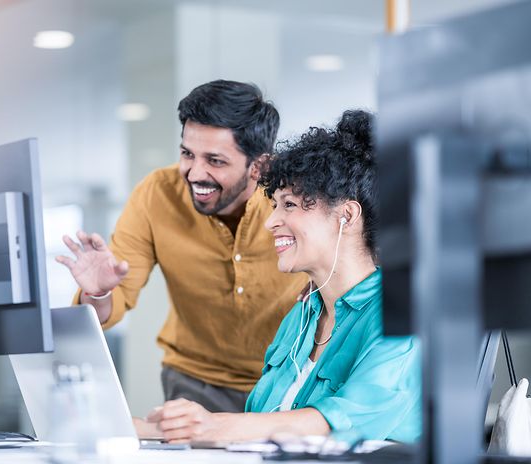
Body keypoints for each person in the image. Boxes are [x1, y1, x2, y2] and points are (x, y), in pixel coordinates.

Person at [143, 110, 422, 443]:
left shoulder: (400, 313)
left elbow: (338, 421)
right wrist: (141, 429)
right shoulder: (302, 316)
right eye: (275, 205)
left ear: (346, 216)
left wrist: (211, 426)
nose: (270, 222)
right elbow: (260, 421)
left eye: (289, 205)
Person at [56, 80, 308, 413]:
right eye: (187, 154)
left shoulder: (298, 200)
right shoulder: (157, 194)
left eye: (215, 161)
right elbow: (112, 305)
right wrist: (99, 293)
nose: (194, 173)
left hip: (289, 381)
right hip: (195, 383)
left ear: (258, 166)